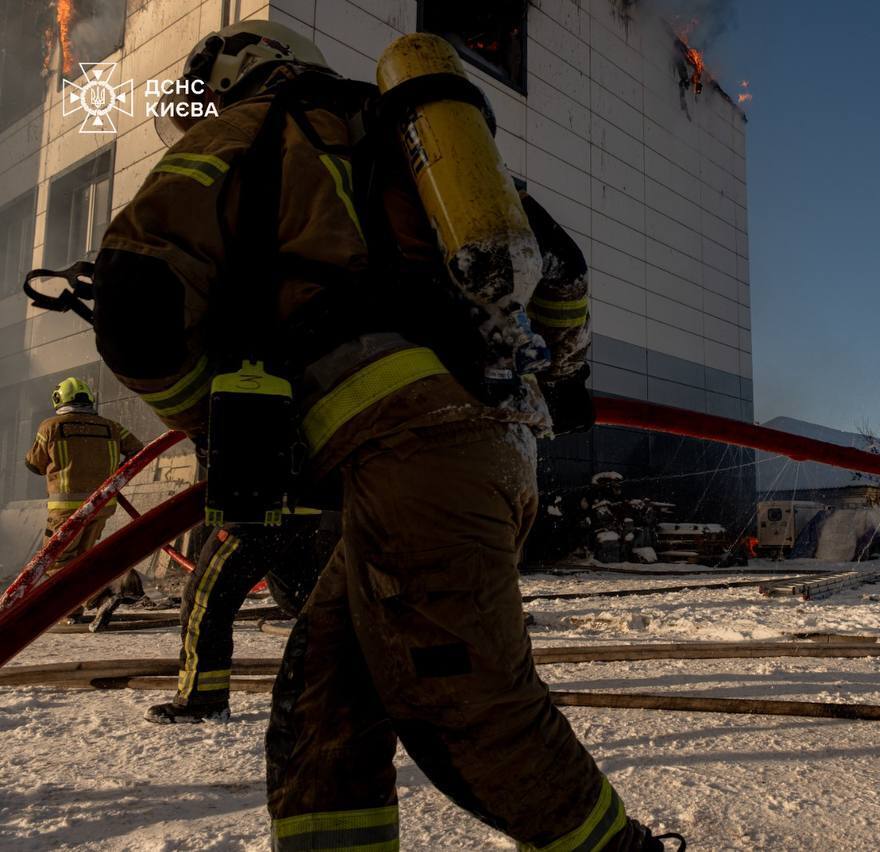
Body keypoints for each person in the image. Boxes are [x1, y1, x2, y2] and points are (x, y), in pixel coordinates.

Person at [92, 20, 680, 850]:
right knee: (322, 713)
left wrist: (223, 432)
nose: (203, 113)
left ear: (231, 74)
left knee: (471, 717)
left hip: (412, 457)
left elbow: (138, 299)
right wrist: (565, 384)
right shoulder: (423, 142)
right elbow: (562, 268)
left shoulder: (248, 130)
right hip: (479, 451)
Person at [145, 509, 338, 724]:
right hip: (303, 510)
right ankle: (363, 674)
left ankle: (203, 699)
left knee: (204, 596)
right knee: (304, 600)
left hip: (258, 508)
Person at [24, 376, 145, 619]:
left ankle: (107, 590)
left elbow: (34, 464)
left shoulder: (50, 427)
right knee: (83, 558)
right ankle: (74, 610)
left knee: (55, 561)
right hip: (102, 505)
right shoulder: (112, 426)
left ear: (59, 399)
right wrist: (112, 474)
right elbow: (138, 451)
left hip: (66, 509)